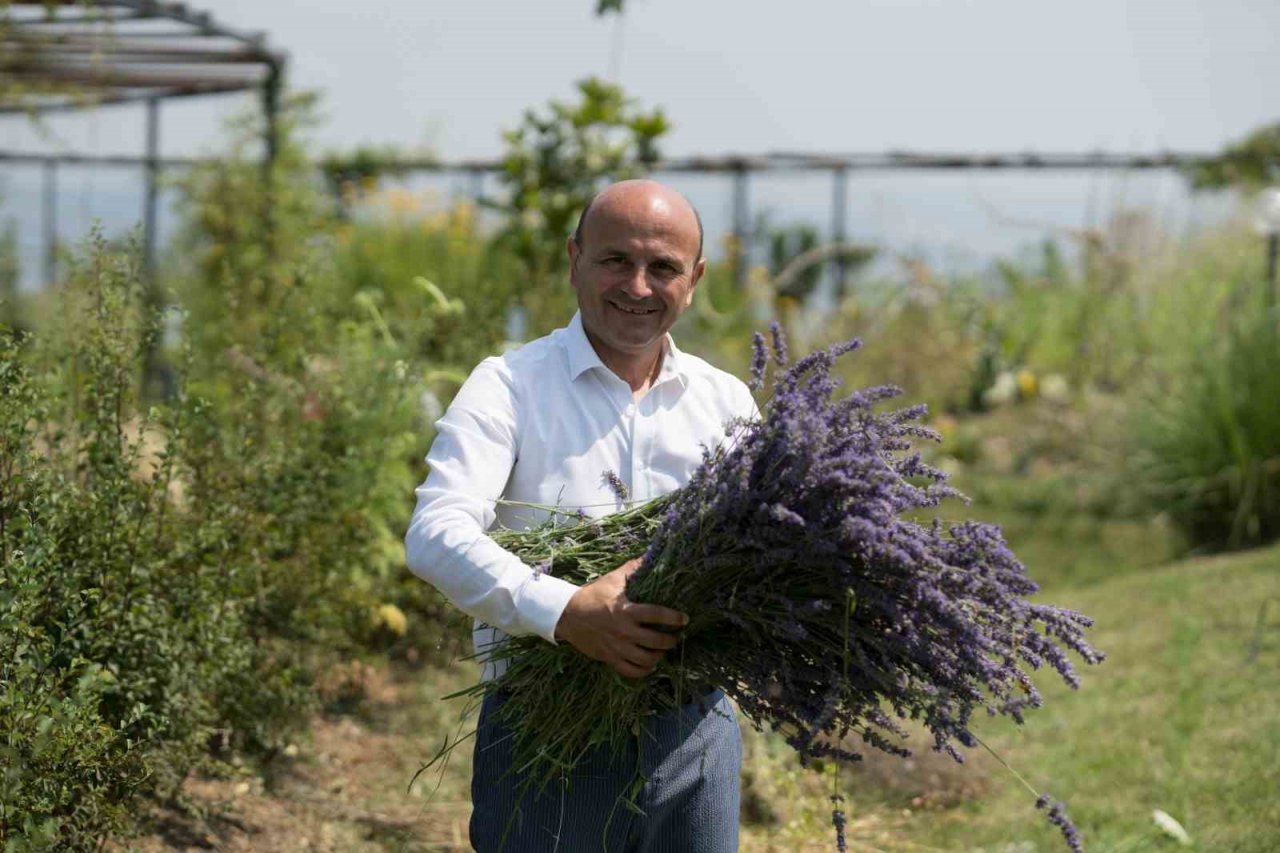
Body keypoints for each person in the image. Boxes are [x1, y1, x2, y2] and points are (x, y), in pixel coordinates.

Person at [405, 179, 756, 851]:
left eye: (663, 268)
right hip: (547, 727)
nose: (638, 285)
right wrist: (567, 612)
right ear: (574, 259)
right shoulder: (509, 386)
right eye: (615, 260)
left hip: (695, 730)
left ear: (696, 279)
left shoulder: (725, 402)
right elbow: (435, 533)